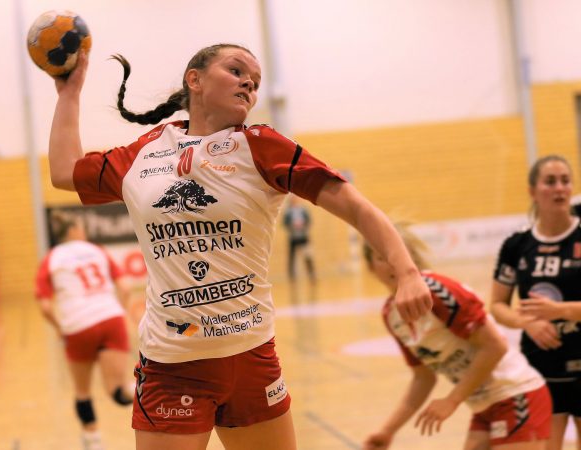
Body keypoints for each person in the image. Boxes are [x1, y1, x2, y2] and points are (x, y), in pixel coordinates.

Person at [47, 44, 432, 450]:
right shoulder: (142, 155)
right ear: (194, 80)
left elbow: (356, 207)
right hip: (172, 364)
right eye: (235, 70)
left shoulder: (263, 146)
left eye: (256, 81)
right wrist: (69, 94)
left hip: (250, 357)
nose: (249, 83)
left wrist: (408, 273)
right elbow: (64, 172)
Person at [363, 222, 551, 450]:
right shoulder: (391, 314)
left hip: (516, 393)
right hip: (482, 406)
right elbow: (423, 378)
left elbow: (495, 347)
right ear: (370, 266)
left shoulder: (437, 290)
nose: (392, 263)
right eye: (381, 257)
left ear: (410, 257)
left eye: (398, 254)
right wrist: (387, 431)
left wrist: (451, 401)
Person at [490, 155, 581, 450]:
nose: (560, 188)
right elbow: (497, 305)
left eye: (565, 181)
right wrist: (527, 323)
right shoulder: (516, 246)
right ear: (533, 191)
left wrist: (561, 311)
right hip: (541, 367)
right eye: (550, 182)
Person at [35, 213, 133, 450]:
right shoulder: (97, 250)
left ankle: (93, 441)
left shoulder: (51, 258)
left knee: (82, 392)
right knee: (119, 392)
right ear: (73, 231)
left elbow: (45, 307)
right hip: (110, 318)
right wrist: (118, 311)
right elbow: (126, 287)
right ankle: (158, 393)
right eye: (81, 228)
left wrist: (60, 328)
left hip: (77, 325)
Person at [282, 196, 316, 287]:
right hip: (293, 238)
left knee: (307, 257)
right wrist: (292, 226)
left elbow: (309, 221)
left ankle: (311, 275)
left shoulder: (303, 210)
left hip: (303, 237)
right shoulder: (288, 212)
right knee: (292, 259)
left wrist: (303, 226)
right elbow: (285, 223)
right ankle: (292, 278)